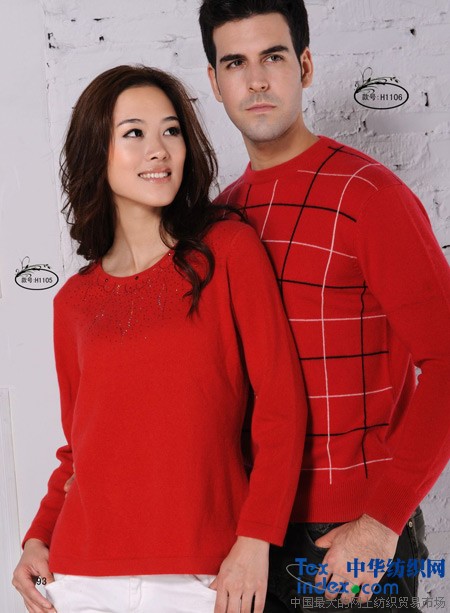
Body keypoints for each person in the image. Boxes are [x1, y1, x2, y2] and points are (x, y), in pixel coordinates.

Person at [12, 64, 308, 613]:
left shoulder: (228, 252)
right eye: (134, 133)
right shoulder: (73, 302)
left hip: (204, 575)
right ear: (96, 153)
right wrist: (37, 537)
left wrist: (256, 539)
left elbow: (282, 410)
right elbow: (80, 448)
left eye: (171, 130)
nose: (159, 150)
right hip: (80, 577)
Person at [198, 1, 450, 611]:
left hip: (350, 536)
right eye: (235, 63)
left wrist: (382, 521)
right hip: (250, 538)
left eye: (273, 57)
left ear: (305, 66)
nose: (256, 81)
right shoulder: (221, 217)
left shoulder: (370, 196)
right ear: (214, 81)